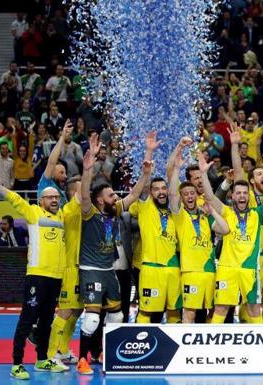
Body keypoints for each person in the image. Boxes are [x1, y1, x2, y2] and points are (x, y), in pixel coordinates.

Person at [76, 131, 152, 375]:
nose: (115, 197)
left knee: (117, 317)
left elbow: (132, 194)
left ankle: (106, 354)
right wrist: (88, 168)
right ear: (100, 200)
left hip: (110, 270)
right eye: (110, 195)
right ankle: (82, 359)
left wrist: (146, 173)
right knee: (91, 319)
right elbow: (85, 194)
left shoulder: (116, 211)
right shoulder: (89, 213)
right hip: (91, 271)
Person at [0, 170, 71, 379]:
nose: (54, 200)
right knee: (27, 319)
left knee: (46, 321)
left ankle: (42, 360)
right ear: (41, 200)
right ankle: (17, 363)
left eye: (57, 197)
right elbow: (14, 199)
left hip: (55, 277)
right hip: (37, 276)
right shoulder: (33, 212)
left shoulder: (62, 215)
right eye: (50, 197)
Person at [199, 147, 263, 324]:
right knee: (221, 307)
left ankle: (260, 347)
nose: (242, 196)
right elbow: (211, 197)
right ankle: (213, 349)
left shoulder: (257, 214)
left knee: (253, 308)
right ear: (233, 196)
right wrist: (204, 174)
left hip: (250, 270)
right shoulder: (227, 212)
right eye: (238, 193)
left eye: (245, 193)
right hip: (227, 268)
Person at [168, 143, 230, 323]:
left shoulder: (205, 216)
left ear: (196, 195)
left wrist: (213, 213)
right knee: (190, 313)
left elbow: (225, 229)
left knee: (212, 312)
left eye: (192, 193)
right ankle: (187, 350)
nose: (189, 196)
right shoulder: (180, 216)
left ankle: (206, 349)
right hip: (190, 271)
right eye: (185, 194)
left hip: (210, 270)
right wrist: (177, 169)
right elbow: (172, 195)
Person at [229, 123, 263, 323]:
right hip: (251, 254)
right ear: (251, 181)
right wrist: (235, 146)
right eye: (258, 174)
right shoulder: (247, 196)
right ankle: (245, 326)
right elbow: (237, 170)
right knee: (249, 295)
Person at [128, 132, 180, 324]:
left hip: (173, 268)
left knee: (175, 312)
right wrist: (149, 152)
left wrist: (179, 151)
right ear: (151, 192)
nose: (161, 192)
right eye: (156, 189)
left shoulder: (175, 209)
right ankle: (141, 350)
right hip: (150, 268)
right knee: (146, 312)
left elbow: (173, 178)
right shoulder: (145, 206)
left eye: (163, 189)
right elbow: (142, 185)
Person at [46, 177, 82, 368]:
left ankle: (64, 350)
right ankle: (50, 354)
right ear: (71, 194)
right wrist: (88, 169)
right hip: (70, 269)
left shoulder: (84, 212)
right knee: (65, 311)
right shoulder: (68, 210)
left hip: (82, 269)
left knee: (77, 311)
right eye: (81, 189)